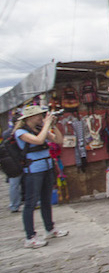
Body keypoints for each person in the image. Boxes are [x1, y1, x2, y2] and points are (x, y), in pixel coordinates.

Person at [16, 105, 67, 248]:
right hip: (33, 170)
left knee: (46, 200)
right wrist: (46, 125)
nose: (41, 117)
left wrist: (53, 125)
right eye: (39, 115)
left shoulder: (40, 129)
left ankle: (50, 228)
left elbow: (58, 140)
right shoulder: (20, 132)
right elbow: (38, 141)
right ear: (30, 118)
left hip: (47, 167)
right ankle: (30, 237)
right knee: (31, 203)